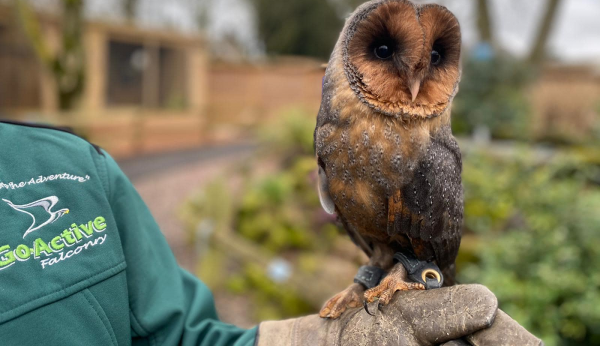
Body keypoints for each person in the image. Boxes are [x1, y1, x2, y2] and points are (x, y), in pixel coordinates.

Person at [0, 120, 542, 345]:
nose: (415, 81)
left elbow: (177, 338)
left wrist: (321, 341)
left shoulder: (68, 165)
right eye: (385, 56)